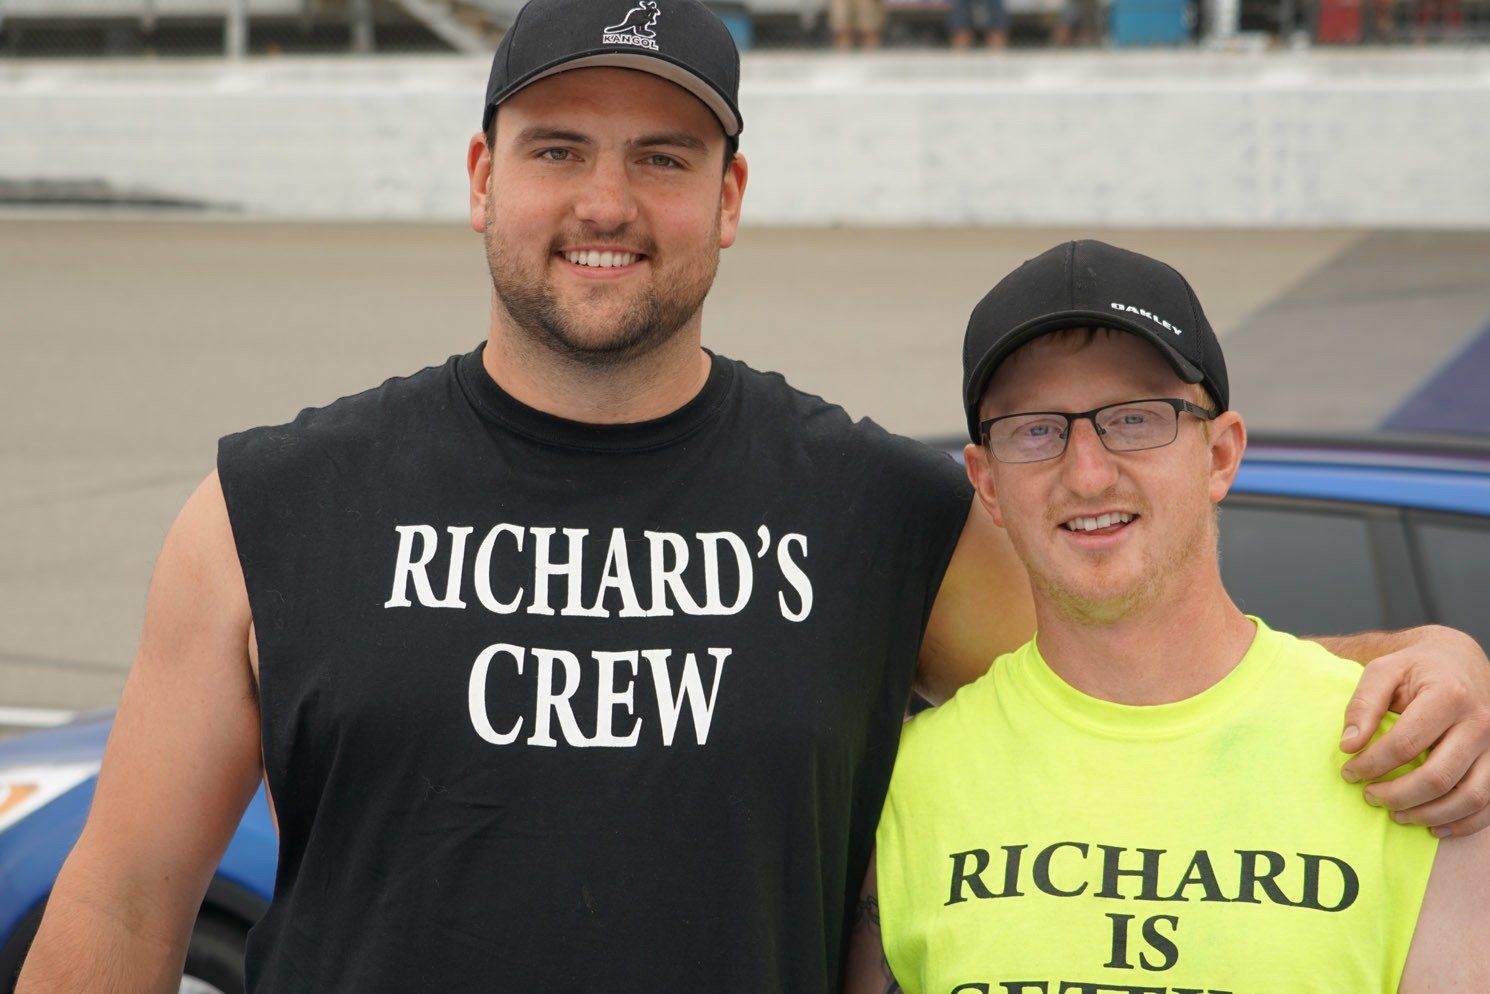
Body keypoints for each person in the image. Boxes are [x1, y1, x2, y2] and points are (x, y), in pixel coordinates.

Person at [16, 3, 1490, 990]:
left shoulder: (880, 513)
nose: (607, 202)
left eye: (662, 157)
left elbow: (1145, 675)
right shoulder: (269, 509)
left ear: (727, 196)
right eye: (557, 151)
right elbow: (126, 904)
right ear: (481, 176)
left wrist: (1424, 665)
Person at [845, 240, 1490, 994]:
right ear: (986, 482)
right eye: (1035, 430)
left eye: (1137, 418)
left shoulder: (1413, 762)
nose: (1087, 473)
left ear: (1220, 454)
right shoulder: (906, 782)